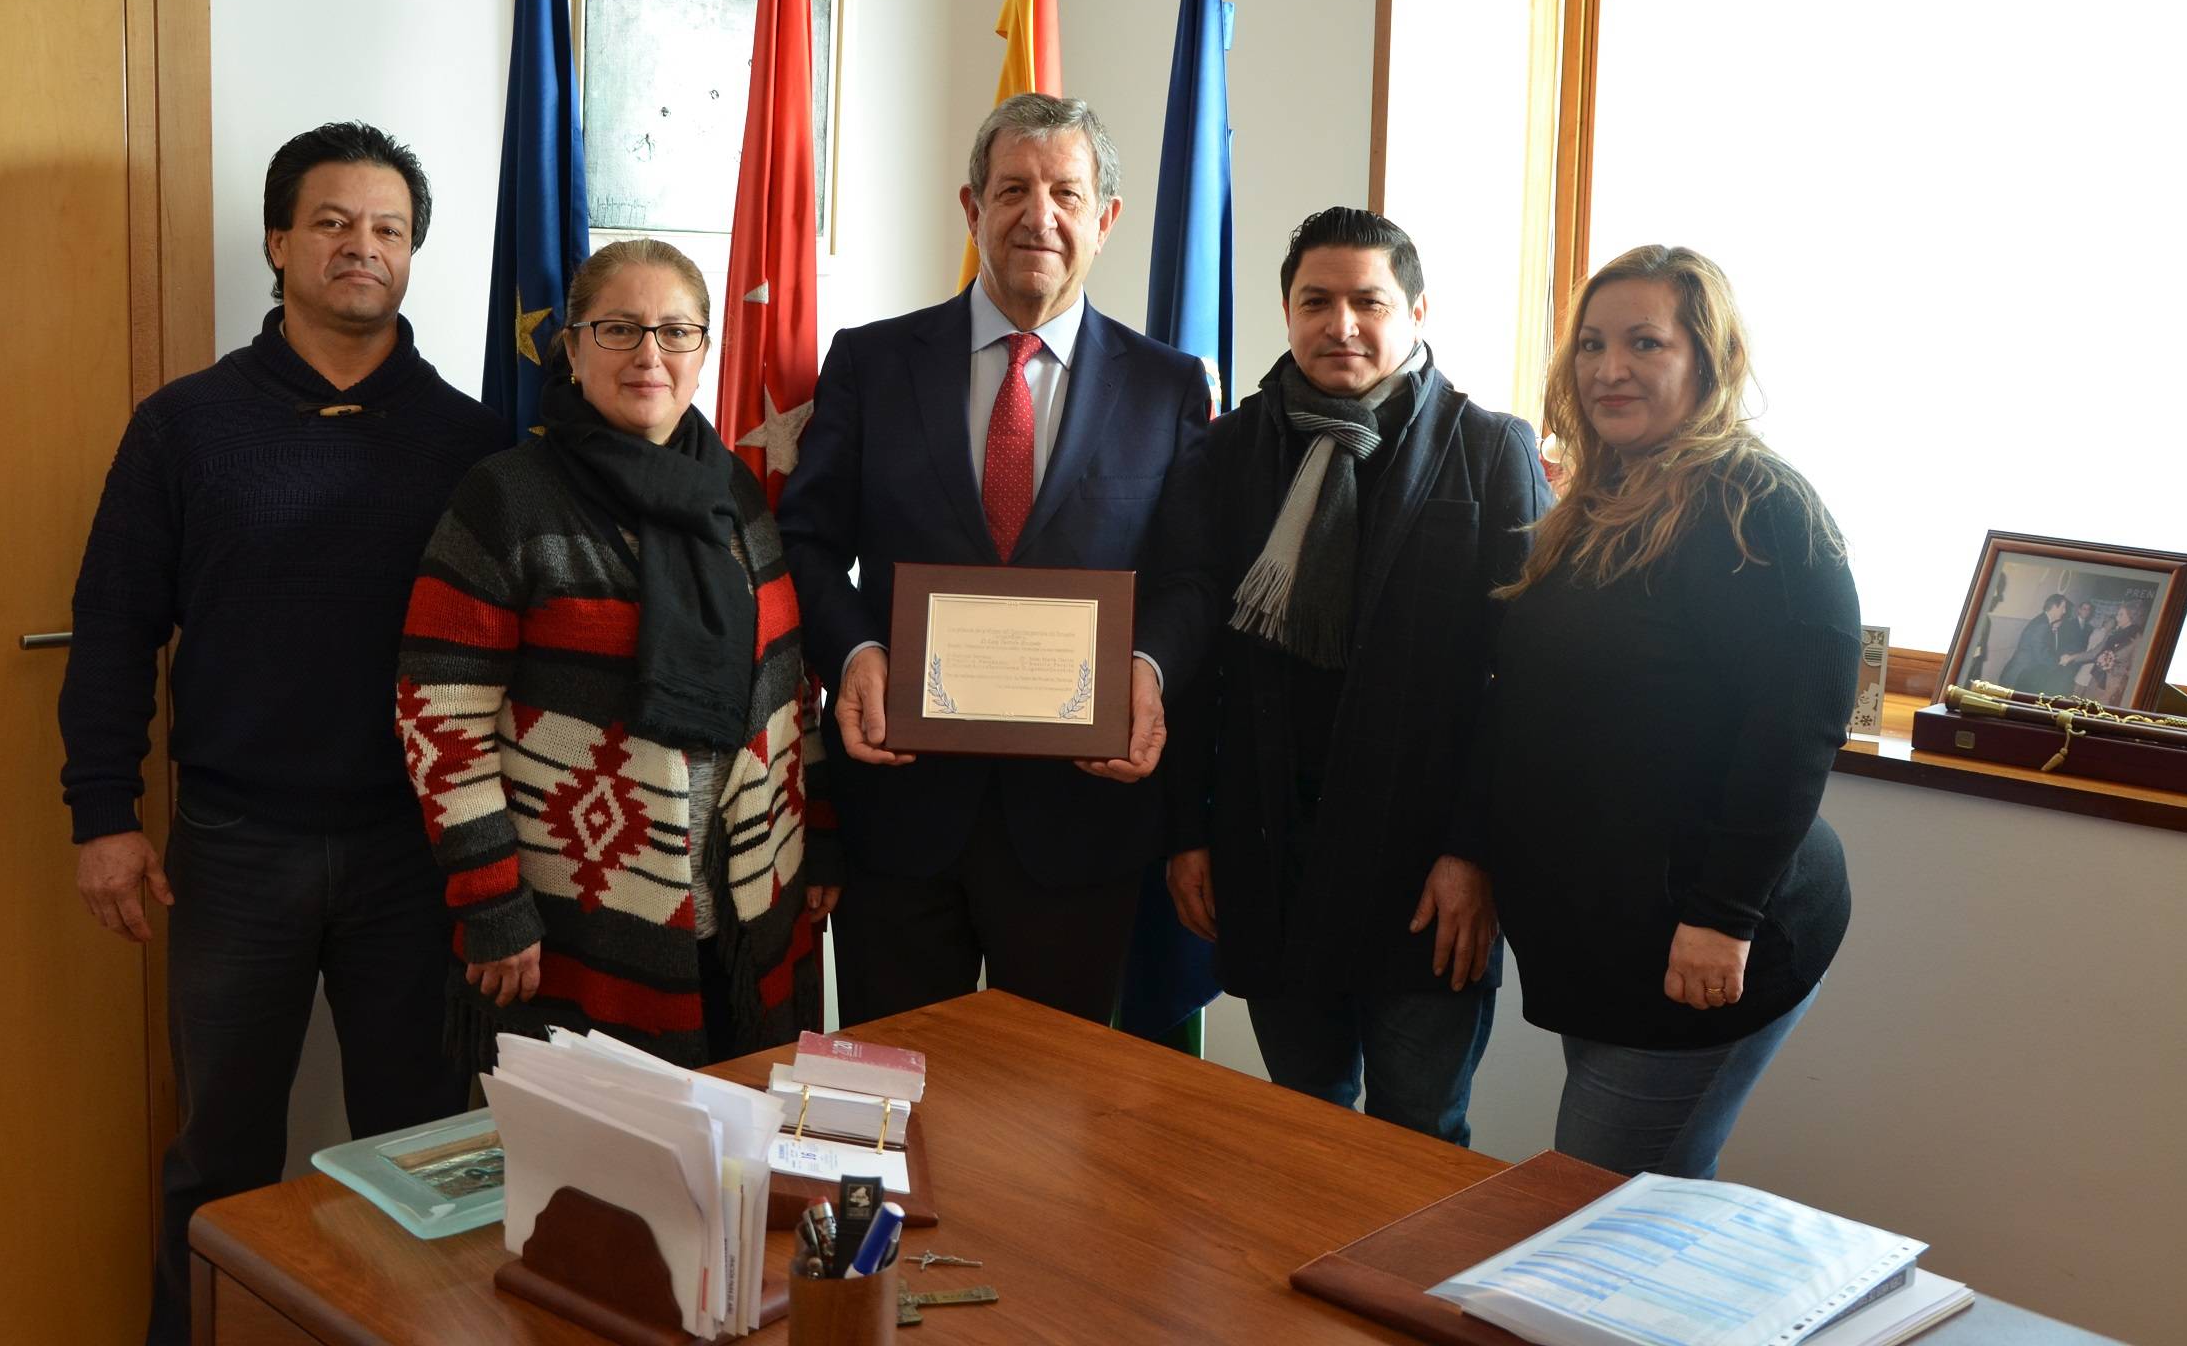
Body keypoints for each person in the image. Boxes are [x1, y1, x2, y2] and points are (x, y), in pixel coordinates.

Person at [58, 122, 505, 1345]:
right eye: (333, 223)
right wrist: (103, 814)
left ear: (413, 254)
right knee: (219, 1161)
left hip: (415, 863)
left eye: (389, 230)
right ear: (278, 240)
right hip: (234, 847)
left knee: (428, 1161)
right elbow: (112, 629)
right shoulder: (184, 427)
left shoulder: (473, 446)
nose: (362, 248)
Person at [777, 93, 1215, 1026]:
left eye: (1065, 191)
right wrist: (857, 654)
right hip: (898, 807)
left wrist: (1145, 668)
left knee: (1055, 1126)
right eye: (1012, 188)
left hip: (1081, 820)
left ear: (1106, 219)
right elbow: (807, 542)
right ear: (973, 208)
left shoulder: (1168, 387)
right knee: (888, 1117)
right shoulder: (872, 361)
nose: (1038, 215)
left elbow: (1190, 576)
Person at [395, 239, 836, 1068]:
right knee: (593, 1183)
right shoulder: (507, 499)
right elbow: (440, 719)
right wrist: (491, 901)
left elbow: (786, 682)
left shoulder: (738, 495)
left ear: (706, 349)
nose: (649, 355)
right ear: (571, 345)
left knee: (730, 1170)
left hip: (747, 912)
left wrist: (823, 837)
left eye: (676, 331)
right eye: (619, 328)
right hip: (574, 921)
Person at [1161, 208, 1548, 1146]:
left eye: (1368, 302)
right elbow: (1191, 660)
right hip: (1272, 862)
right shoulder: (1231, 451)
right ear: (1287, 313)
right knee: (1304, 1135)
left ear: (1416, 310)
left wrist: (1477, 853)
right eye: (1316, 301)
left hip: (1426, 878)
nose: (1342, 325)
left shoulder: (1490, 450)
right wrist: (1187, 832)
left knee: (1417, 1136)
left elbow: (1524, 682)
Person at [1486, 244, 1860, 1180]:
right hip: (1607, 940)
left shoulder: (1760, 507)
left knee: (1591, 1208)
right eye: (1592, 344)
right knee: (1646, 1206)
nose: (1610, 368)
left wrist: (1723, 919)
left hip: (1710, 935)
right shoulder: (1599, 497)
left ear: (1708, 358)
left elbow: (1795, 729)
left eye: (1645, 343)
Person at [1998, 593, 2073, 694]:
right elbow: (2041, 654)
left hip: (2023, 674)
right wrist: (2059, 662)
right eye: (2063, 607)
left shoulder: (2043, 622)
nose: (2064, 611)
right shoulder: (2042, 625)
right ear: (2055, 607)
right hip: (2018, 675)